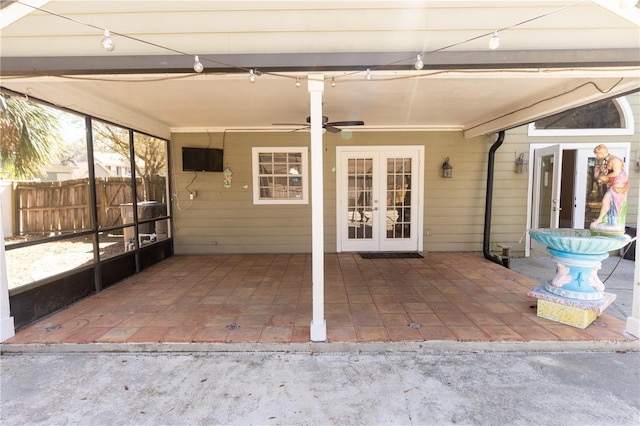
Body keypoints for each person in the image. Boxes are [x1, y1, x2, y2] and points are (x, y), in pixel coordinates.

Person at [590, 144, 629, 235]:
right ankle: (604, 219)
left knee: (608, 200)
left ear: (602, 152)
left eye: (597, 154)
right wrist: (608, 181)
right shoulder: (608, 160)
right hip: (615, 184)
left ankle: (607, 220)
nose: (596, 156)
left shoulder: (614, 160)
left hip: (619, 185)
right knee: (607, 201)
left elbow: (616, 173)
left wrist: (605, 177)